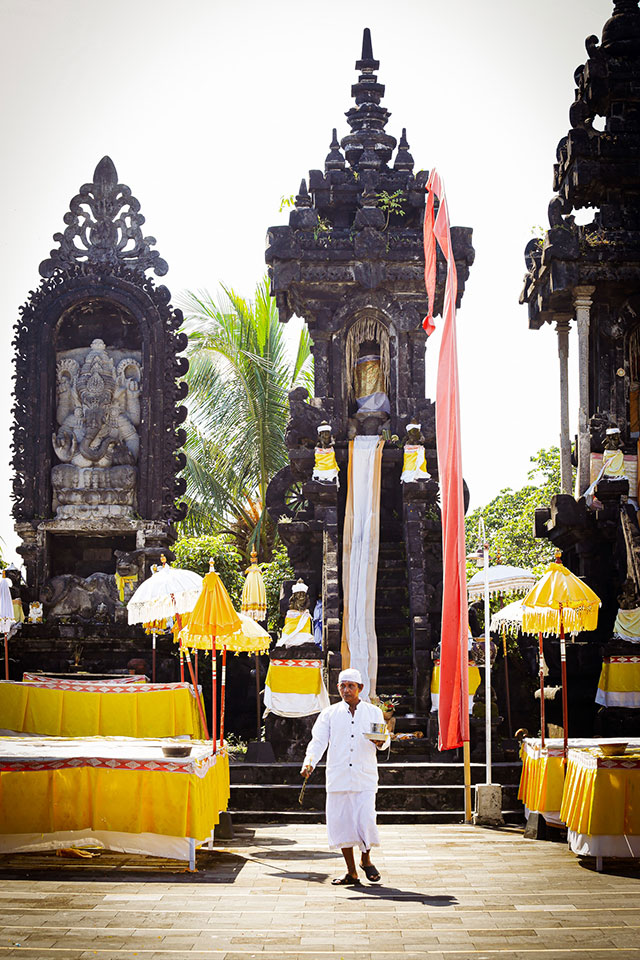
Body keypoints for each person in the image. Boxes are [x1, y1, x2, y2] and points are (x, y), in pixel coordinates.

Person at [300, 667, 389, 885]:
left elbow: (383, 739)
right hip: (338, 776)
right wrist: (309, 762)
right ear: (338, 687)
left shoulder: (373, 712)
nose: (346, 690)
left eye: (351, 686)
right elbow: (318, 741)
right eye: (343, 686)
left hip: (364, 776)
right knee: (342, 824)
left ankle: (366, 860)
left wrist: (381, 742)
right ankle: (351, 871)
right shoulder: (329, 714)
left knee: (366, 820)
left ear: (360, 688)